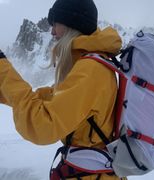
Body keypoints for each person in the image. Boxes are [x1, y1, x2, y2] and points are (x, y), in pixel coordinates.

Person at [0, 0, 124, 179]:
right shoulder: (89, 65)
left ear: (72, 25)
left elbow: (42, 124)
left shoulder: (90, 70)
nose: (52, 32)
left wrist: (3, 69)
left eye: (55, 24)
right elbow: (48, 99)